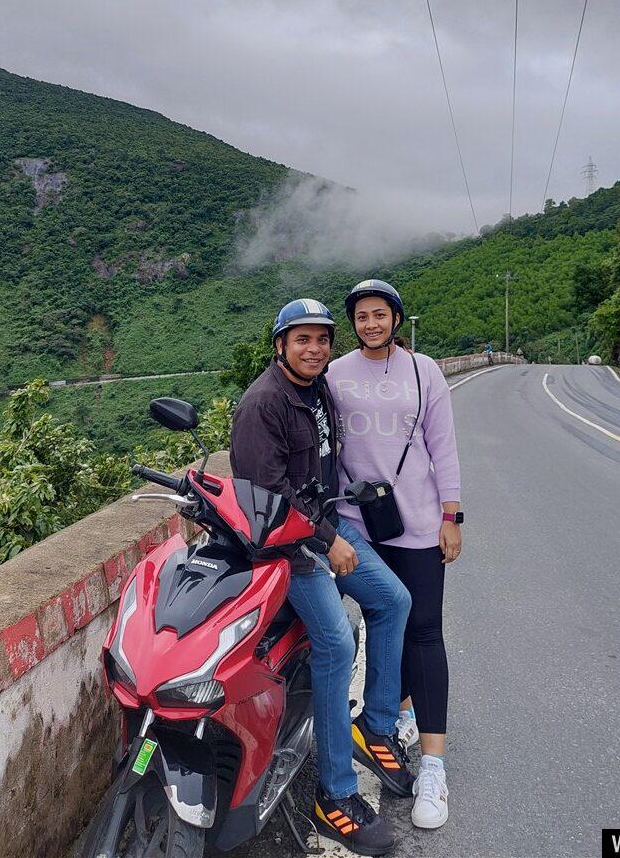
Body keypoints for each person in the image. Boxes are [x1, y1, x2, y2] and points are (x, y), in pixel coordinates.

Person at [229, 298, 414, 856]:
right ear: (280, 345)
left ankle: (375, 725)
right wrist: (326, 541)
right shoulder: (264, 404)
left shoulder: (319, 391)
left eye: (322, 339)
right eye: (302, 339)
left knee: (394, 601)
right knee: (335, 643)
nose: (314, 349)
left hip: (327, 527)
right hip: (288, 546)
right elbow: (265, 499)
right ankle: (334, 796)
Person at [326, 279, 463, 831]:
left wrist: (452, 517)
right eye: (361, 317)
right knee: (379, 625)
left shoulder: (423, 371)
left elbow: (443, 446)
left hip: (418, 525)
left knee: (424, 630)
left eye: (380, 315)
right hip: (356, 526)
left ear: (396, 319)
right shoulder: (334, 374)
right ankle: (393, 715)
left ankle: (433, 763)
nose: (371, 324)